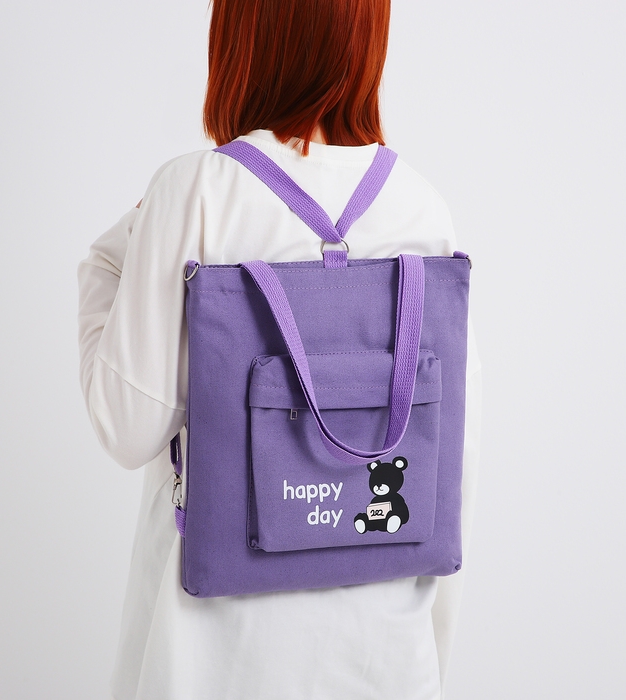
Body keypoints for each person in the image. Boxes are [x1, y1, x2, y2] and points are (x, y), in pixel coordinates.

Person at [78, 1, 481, 698]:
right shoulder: (424, 207)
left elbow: (125, 426)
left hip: (215, 665)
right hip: (384, 659)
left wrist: (104, 265)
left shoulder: (197, 191)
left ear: (244, 31)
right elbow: (450, 473)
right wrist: (428, 661)